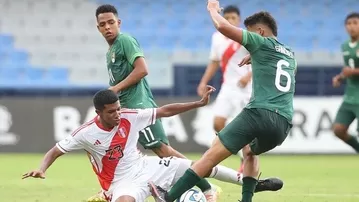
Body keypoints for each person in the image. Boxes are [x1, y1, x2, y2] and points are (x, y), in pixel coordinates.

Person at [149, 1, 296, 202]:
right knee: (249, 152)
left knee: (211, 155)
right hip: (283, 124)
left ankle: (168, 197)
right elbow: (278, 69)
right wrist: (256, 57)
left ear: (260, 32)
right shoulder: (290, 55)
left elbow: (223, 27)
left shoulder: (260, 42)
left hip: (259, 113)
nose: (249, 39)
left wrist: (211, 9)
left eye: (251, 33)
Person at [23, 89, 281, 202]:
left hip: (146, 166)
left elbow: (165, 110)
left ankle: (251, 184)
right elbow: (56, 149)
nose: (117, 114)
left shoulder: (130, 116)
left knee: (192, 165)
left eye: (118, 108)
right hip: (120, 182)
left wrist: (198, 104)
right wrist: (42, 168)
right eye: (111, 111)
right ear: (98, 112)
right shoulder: (86, 133)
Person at [90, 4, 219, 201]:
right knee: (132, 151)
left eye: (111, 22)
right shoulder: (111, 51)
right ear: (98, 28)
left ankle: (207, 188)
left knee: (162, 150)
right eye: (102, 24)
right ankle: (112, 190)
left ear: (119, 23)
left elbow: (142, 69)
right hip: (127, 109)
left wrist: (115, 89)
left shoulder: (125, 40)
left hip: (139, 106)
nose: (107, 27)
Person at [197, 5, 252, 173]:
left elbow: (259, 57)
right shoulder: (217, 38)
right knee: (218, 123)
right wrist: (203, 81)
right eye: (226, 17)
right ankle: (243, 153)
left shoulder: (244, 37)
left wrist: (248, 76)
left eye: (233, 18)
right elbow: (214, 62)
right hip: (227, 87)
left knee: (246, 126)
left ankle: (248, 158)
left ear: (239, 20)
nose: (229, 21)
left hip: (246, 88)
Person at [332, 12, 359, 153]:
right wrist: (340, 77)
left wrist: (352, 72)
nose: (352, 26)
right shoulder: (345, 46)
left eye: (355, 23)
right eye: (349, 24)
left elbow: (352, 70)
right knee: (338, 129)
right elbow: (350, 68)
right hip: (350, 96)